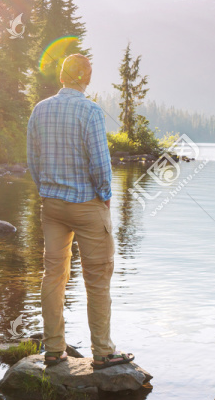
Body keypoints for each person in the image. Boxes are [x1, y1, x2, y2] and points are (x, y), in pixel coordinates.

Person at [26, 53, 134, 369]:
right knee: (97, 279)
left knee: (53, 275)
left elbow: (33, 161)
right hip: (87, 205)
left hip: (52, 206)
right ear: (86, 79)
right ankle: (102, 353)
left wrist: (46, 190)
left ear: (62, 77)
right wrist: (106, 196)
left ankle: (54, 350)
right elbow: (101, 164)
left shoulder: (40, 110)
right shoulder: (91, 111)